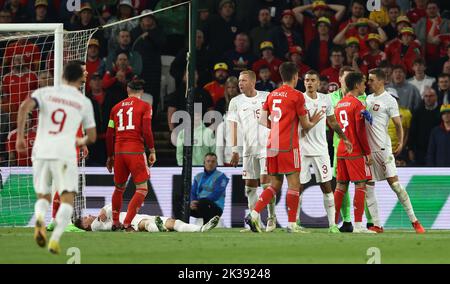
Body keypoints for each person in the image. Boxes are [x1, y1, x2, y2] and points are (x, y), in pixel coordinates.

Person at [16, 60, 97, 254]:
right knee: (67, 196)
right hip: (64, 151)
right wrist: (78, 141)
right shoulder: (83, 102)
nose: (87, 76)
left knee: (43, 195)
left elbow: (24, 108)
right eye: (84, 73)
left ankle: (40, 218)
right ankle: (56, 238)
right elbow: (92, 137)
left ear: (62, 76)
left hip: (41, 149)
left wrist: (20, 136)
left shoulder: (45, 92)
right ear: (79, 78)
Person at [245, 62, 323, 233]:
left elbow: (261, 120)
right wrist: (314, 121)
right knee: (294, 185)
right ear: (295, 77)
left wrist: (276, 127)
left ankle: (254, 213)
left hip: (272, 144)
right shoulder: (297, 96)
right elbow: (305, 124)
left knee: (274, 185)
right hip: (288, 145)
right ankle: (292, 224)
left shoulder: (272, 95)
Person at [364, 69, 425, 234]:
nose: (368, 82)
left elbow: (398, 124)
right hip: (368, 151)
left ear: (381, 81)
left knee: (396, 185)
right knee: (368, 187)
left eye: (371, 80)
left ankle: (415, 221)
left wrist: (399, 144)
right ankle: (377, 225)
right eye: (368, 80)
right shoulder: (367, 98)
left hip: (383, 149)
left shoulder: (389, 100)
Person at [297, 70, 352, 233]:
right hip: (302, 149)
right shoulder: (299, 99)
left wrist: (344, 137)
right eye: (307, 80)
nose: (309, 83)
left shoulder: (325, 99)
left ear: (319, 83)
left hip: (321, 150)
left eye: (313, 80)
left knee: (326, 186)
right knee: (297, 186)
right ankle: (295, 222)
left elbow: (333, 122)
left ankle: (332, 225)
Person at [105, 79, 156, 232]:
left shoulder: (115, 108)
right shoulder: (145, 106)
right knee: (142, 189)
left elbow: (109, 134)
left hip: (119, 151)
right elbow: (146, 130)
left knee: (119, 188)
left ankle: (115, 222)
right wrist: (152, 150)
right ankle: (127, 223)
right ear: (142, 92)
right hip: (135, 151)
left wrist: (110, 156)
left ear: (127, 90)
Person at [228, 70, 275, 232]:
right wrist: (234, 149)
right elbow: (233, 126)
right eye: (239, 81)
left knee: (266, 183)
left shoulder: (267, 96)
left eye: (244, 80)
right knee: (249, 186)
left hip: (266, 147)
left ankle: (271, 218)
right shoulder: (235, 101)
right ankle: (255, 222)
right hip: (249, 149)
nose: (240, 83)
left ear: (253, 82)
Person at [333, 72, 374, 234]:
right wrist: (367, 153)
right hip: (355, 151)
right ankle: (358, 225)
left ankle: (332, 223)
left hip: (341, 149)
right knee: (360, 184)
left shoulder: (340, 104)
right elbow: (360, 132)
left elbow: (336, 129)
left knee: (341, 186)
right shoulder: (357, 105)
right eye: (363, 83)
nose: (365, 86)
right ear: (357, 85)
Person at [75, 203, 220, 233]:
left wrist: (103, 210)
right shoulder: (95, 226)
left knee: (174, 222)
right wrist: (104, 211)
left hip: (135, 217)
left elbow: (112, 204)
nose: (87, 215)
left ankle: (200, 228)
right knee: (145, 224)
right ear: (86, 226)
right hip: (130, 223)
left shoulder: (99, 219)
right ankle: (159, 228)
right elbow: (110, 206)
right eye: (84, 218)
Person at [190, 153, 229, 224]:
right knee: (181, 203)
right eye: (208, 161)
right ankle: (180, 226)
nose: (210, 163)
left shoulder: (221, 177)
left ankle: (206, 226)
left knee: (204, 202)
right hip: (198, 206)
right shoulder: (198, 176)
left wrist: (199, 202)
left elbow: (216, 194)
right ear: (204, 163)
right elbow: (193, 192)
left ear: (216, 164)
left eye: (213, 161)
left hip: (215, 208)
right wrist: (192, 201)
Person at [408, 87, 442, 166]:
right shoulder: (417, 111)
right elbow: (412, 131)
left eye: (431, 96)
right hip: (421, 150)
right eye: (426, 96)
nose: (428, 98)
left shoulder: (442, 111)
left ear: (436, 97)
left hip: (439, 149)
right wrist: (410, 149)